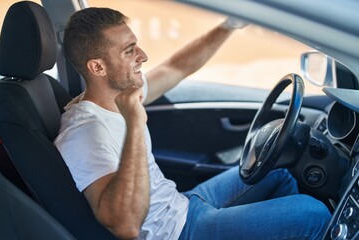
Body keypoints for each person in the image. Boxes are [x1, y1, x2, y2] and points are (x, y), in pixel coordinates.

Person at [54, 7, 331, 240]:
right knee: (312, 214)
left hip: (182, 204)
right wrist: (136, 123)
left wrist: (230, 24)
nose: (143, 56)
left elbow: (177, 67)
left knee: (279, 168)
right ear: (98, 67)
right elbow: (125, 226)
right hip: (178, 232)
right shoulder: (84, 133)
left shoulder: (120, 94)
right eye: (129, 51)